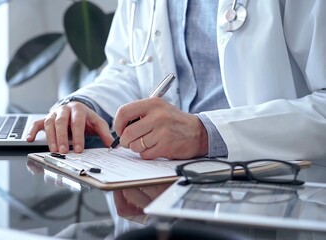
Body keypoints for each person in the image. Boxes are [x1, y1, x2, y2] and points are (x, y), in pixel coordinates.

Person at [27, 0, 326, 161]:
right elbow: (131, 66)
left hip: (277, 194)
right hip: (160, 186)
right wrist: (85, 104)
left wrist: (204, 134)